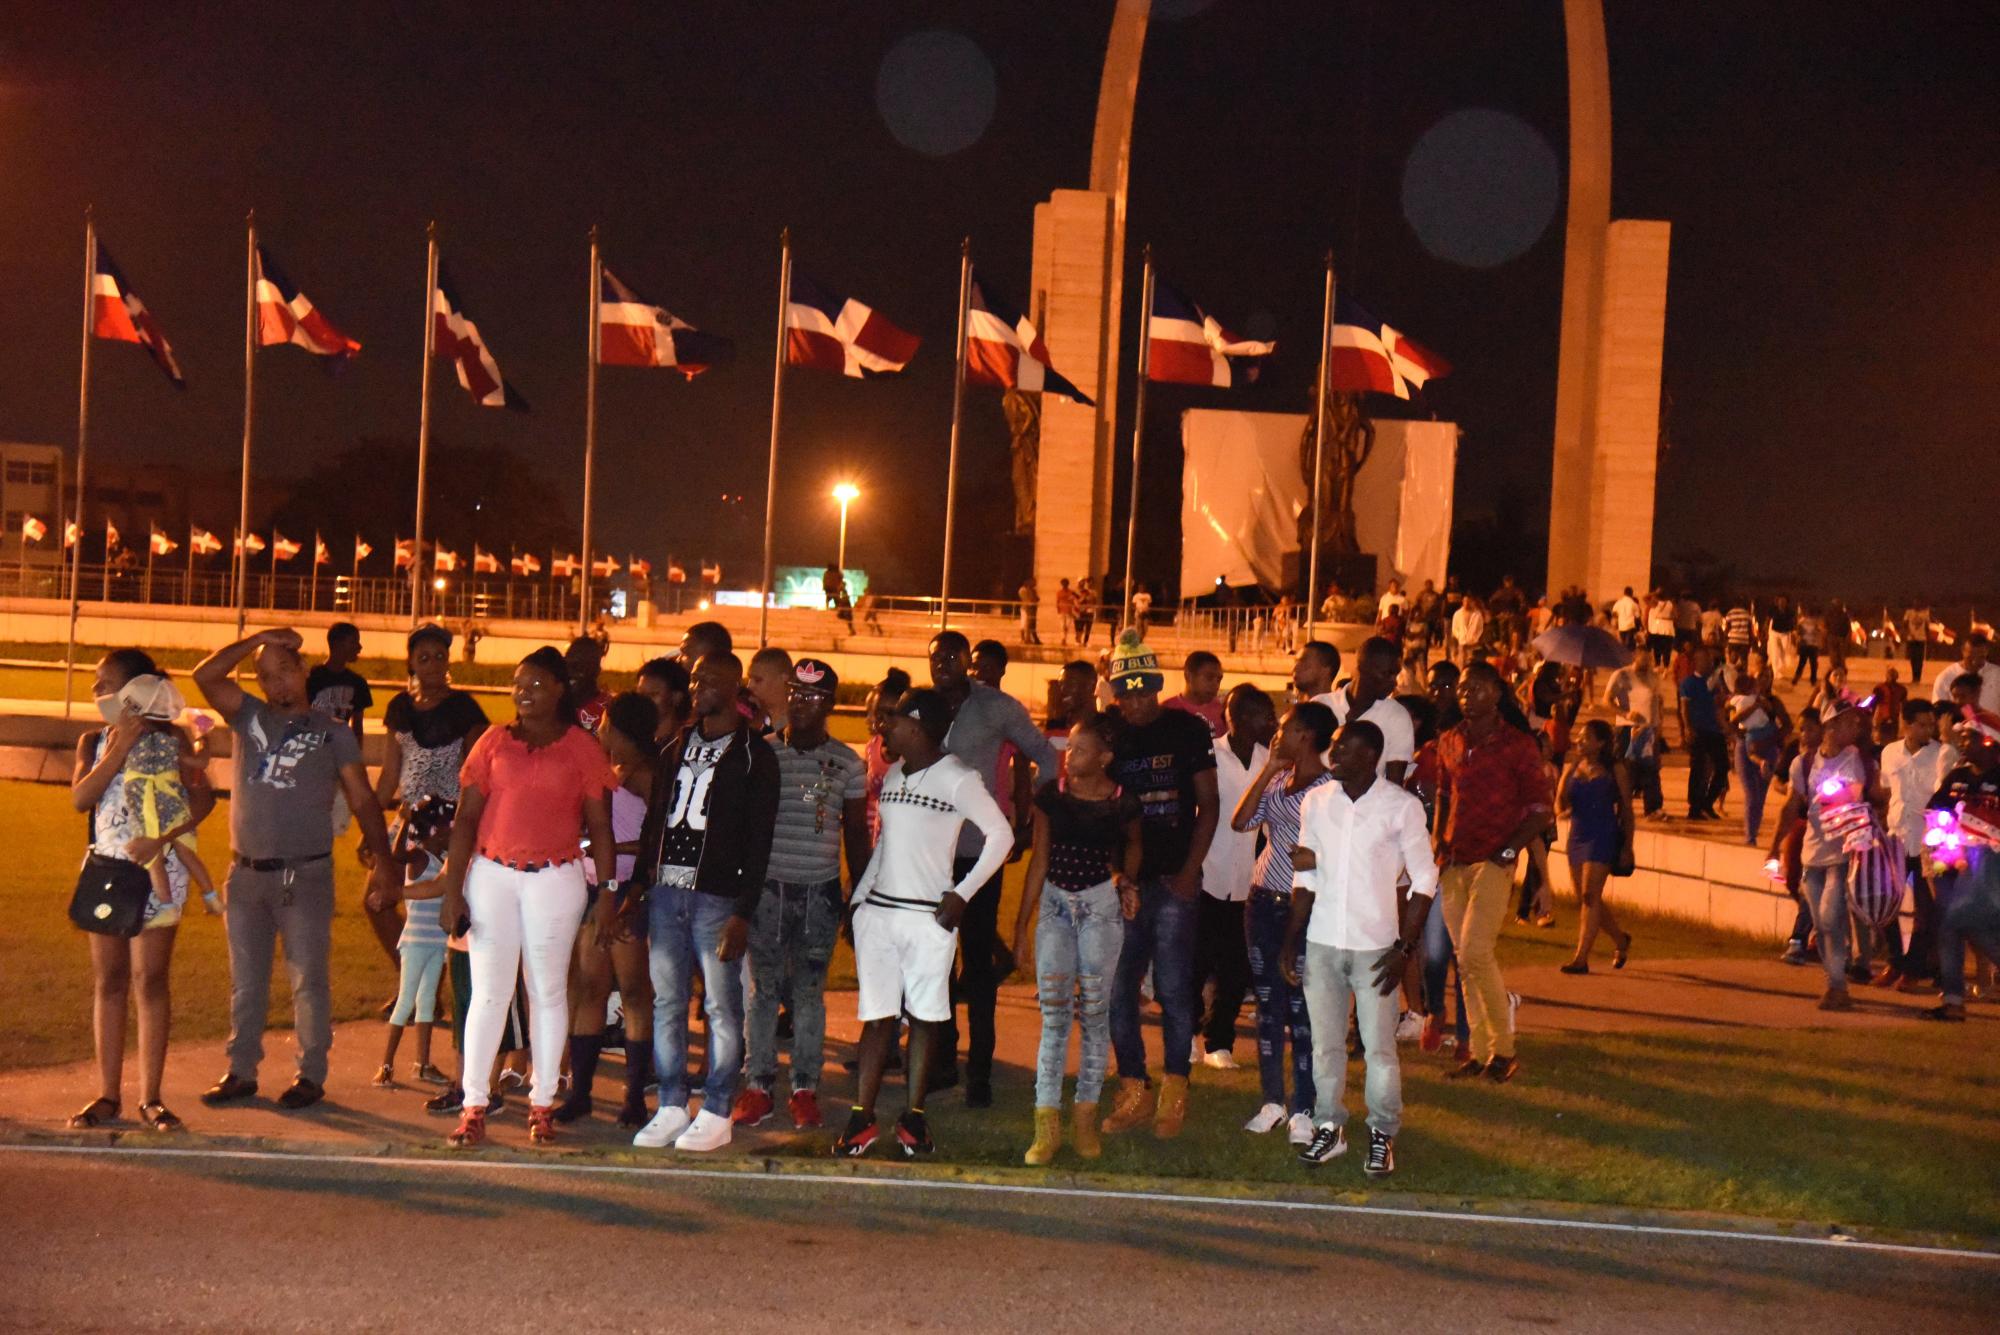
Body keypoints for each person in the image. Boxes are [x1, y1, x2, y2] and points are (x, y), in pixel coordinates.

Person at [192, 628, 399, 1112]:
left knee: (308, 979)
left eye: (285, 670)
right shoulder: (249, 716)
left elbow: (363, 798)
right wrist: (259, 637)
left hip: (303, 875)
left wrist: (385, 862)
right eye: (266, 676)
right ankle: (241, 1071)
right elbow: (206, 675)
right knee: (247, 981)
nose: (277, 682)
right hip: (245, 874)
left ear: (304, 671)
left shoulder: (333, 732)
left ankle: (310, 1075)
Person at [430, 648, 617, 1147]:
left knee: (547, 992)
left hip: (555, 879)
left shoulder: (581, 748)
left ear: (559, 690)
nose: (523, 693)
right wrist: (453, 892)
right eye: (518, 684)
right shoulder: (494, 742)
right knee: (489, 994)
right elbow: (466, 819)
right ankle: (474, 1105)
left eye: (535, 684)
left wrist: (608, 890)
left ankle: (541, 1103)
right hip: (492, 874)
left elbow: (600, 825)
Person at [838, 690, 1013, 1158]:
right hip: (880, 913)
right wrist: (858, 904)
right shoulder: (895, 773)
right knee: (876, 1018)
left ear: (916, 726)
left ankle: (914, 1117)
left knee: (924, 1018)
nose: (884, 727)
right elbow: (884, 845)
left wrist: (961, 893)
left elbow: (1001, 836)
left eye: (893, 720)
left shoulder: (958, 778)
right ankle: (862, 1116)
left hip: (926, 917)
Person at [630, 652, 779, 1153]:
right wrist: (637, 885)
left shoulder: (756, 756)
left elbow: (759, 843)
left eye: (710, 678)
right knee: (668, 1002)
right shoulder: (674, 744)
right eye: (695, 678)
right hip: (667, 892)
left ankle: (717, 1109)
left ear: (735, 686)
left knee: (721, 1006)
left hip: (717, 898)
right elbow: (656, 821)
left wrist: (742, 912)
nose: (698, 686)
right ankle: (672, 1104)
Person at [66, 650, 216, 1132]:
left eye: (106, 683)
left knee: (149, 980)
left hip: (161, 871)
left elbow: (203, 799)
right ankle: (108, 1094)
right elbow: (80, 798)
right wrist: (118, 747)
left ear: (136, 691)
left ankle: (150, 1098)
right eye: (96, 684)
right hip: (108, 870)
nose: (98, 693)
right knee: (108, 981)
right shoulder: (93, 741)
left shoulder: (170, 739)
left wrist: (163, 837)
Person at [1283, 720, 1437, 1177]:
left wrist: (1404, 947)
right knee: (1326, 1045)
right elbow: (1305, 872)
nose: (1334, 754)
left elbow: (1424, 878)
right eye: (1334, 746)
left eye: (1344, 749)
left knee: (1378, 1049)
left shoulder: (1401, 807)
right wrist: (1292, 941)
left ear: (1370, 756)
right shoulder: (1316, 801)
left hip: (1376, 947)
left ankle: (1382, 1134)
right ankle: (1330, 1126)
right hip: (1323, 941)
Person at [736, 659, 870, 1132]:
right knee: (762, 989)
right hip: (768, 889)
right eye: (795, 693)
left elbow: (856, 832)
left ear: (831, 703)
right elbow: (746, 829)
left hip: (819, 891)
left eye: (813, 696)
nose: (801, 703)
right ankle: (758, 1086)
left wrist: (859, 897)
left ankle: (804, 1088)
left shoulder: (849, 763)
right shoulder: (763, 752)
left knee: (809, 991)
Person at [928, 631, 1058, 1108]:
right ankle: (941, 1059)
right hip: (928, 854)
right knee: (934, 962)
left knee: (977, 964)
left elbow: (1045, 755)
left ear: (968, 661)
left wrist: (1035, 818)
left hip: (978, 853)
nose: (942, 663)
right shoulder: (920, 704)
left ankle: (979, 1071)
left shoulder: (996, 707)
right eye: (934, 657)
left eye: (951, 656)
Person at [1101, 631, 1220, 1139]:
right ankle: (1134, 1086)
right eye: (1125, 693)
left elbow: (1208, 804)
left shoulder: (1187, 729)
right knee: (1118, 989)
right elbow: (1100, 808)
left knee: (1173, 988)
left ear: (1156, 686)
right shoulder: (1110, 734)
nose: (1134, 702)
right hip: (1125, 881)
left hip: (1174, 879)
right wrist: (1114, 876)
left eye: (1142, 691)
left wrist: (1192, 871)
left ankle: (1175, 1089)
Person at [1011, 714, 1141, 1165]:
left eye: (1081, 750)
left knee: (1094, 1012)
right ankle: (1046, 1124)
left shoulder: (1123, 801)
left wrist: (1127, 880)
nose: (1070, 756)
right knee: (1054, 1016)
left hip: (1099, 909)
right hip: (1054, 907)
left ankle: (1085, 1116)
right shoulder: (1052, 795)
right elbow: (1040, 858)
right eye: (1070, 748)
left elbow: (1133, 846)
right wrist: (1021, 925)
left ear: (1105, 758)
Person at [1431, 662, 1552, 1083]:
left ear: (1497, 694)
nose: (1467, 695)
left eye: (1477, 688)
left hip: (1493, 861)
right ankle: (1480, 1053)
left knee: (1475, 951)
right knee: (1465, 961)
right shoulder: (1450, 741)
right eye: (1463, 689)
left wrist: (1509, 848)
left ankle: (1505, 1049)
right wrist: (1437, 842)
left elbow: (1540, 810)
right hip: (1454, 860)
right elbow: (1444, 794)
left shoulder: (1518, 745)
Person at [554, 693, 661, 1128]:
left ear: (618, 728)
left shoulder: (644, 774)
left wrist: (609, 849)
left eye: (604, 724)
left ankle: (634, 1097)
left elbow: (657, 841)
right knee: (589, 989)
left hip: (626, 893)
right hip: (599, 890)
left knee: (634, 992)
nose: (598, 729)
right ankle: (581, 1093)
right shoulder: (614, 769)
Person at [1231, 700, 1335, 1145]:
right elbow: (1240, 822)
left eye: (1287, 729)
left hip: (1306, 908)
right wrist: (1269, 768)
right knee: (1267, 1007)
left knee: (1304, 1011)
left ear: (1307, 736)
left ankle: (1304, 1110)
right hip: (1262, 902)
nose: (1278, 733)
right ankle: (1272, 1101)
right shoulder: (1278, 780)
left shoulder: (1331, 788)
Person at [371, 625, 489, 975]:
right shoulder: (400, 708)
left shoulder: (464, 708)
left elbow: (479, 773)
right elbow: (390, 774)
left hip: (449, 821)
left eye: (440, 657)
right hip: (407, 819)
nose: (434, 665)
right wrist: (372, 827)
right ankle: (410, 980)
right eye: (424, 658)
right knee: (376, 899)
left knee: (442, 909)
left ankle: (433, 992)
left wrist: (464, 827)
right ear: (411, 663)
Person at [1766, 702, 1871, 1011]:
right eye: (1849, 722)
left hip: (1842, 853)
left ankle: (1838, 983)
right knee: (1824, 924)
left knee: (1828, 916)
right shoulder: (1803, 763)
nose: (1856, 728)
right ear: (1831, 726)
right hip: (1812, 852)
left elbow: (1854, 796)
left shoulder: (1854, 760)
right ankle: (1836, 985)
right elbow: (1790, 805)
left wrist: (1838, 794)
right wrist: (1774, 845)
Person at [1192, 684, 1274, 1069]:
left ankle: (1218, 1042)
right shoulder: (1210, 755)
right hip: (1207, 873)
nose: (1271, 723)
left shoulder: (1269, 760)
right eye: (1264, 715)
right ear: (1238, 718)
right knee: (1195, 961)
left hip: (1248, 880)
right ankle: (1189, 1032)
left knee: (1236, 967)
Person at [1920, 711, 2000, 1023]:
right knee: (1964, 927)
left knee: (1957, 922)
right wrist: (1937, 859)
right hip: (1954, 863)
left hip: (1990, 863)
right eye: (1961, 737)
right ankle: (1953, 1001)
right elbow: (1934, 812)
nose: (1961, 743)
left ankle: (1953, 1001)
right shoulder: (1957, 777)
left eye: (1969, 737)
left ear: (1990, 741)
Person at [374, 794, 455, 1088]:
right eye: (448, 827)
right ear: (433, 831)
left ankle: (422, 1063)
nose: (452, 832)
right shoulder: (421, 857)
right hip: (416, 942)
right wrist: (407, 819)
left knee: (427, 1001)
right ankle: (386, 1064)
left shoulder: (444, 861)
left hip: (436, 942)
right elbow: (398, 855)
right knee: (406, 1000)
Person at [1879, 700, 1956, 993]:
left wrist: (1948, 744)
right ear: (1906, 724)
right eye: (1921, 724)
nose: (1928, 729)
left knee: (1927, 910)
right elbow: (1887, 790)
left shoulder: (1940, 754)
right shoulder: (1890, 753)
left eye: (1931, 724)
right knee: (1887, 904)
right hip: (1896, 837)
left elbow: (1943, 788)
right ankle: (1896, 961)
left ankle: (1912, 969)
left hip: (1928, 843)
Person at [1557, 720, 1635, 972]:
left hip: (1603, 833)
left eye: (1586, 737)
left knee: (1590, 895)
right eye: (1579, 736)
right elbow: (1560, 799)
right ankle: (1620, 939)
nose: (1580, 741)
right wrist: (1570, 771)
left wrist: (1627, 846)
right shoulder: (1575, 765)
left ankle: (1581, 958)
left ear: (1601, 743)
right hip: (1578, 834)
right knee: (1586, 897)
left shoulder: (1615, 769)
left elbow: (1626, 809)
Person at [1316, 636, 1415, 784]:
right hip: (1317, 800)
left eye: (1396, 674)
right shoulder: (1321, 705)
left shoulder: (1397, 715)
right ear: (1363, 667)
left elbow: (1395, 784)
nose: (1394, 682)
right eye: (1387, 673)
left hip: (1370, 804)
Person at [1728, 673, 1782, 844]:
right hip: (1745, 745)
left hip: (1767, 747)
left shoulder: (1772, 701)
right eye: (1759, 679)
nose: (1762, 682)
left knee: (1760, 796)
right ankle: (1750, 835)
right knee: (1752, 793)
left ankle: (1753, 832)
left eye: (1766, 678)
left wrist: (1775, 739)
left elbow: (1786, 724)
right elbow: (1733, 720)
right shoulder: (1739, 700)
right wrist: (1755, 706)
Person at [1677, 646, 1729, 821]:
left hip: (1714, 729)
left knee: (1722, 767)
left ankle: (1707, 803)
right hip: (1699, 729)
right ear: (1696, 662)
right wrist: (1687, 728)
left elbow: (1721, 704)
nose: (1707, 663)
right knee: (1698, 769)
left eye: (1709, 660)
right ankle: (1695, 806)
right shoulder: (1688, 683)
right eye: (1703, 659)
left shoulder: (1714, 682)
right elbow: (1684, 707)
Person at [306, 622, 371, 744]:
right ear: (337, 644)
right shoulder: (311, 678)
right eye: (354, 641)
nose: (359, 647)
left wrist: (355, 758)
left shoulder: (357, 683)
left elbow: (357, 728)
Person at [1163, 649, 1226, 738]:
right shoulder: (1167, 709)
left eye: (1219, 680)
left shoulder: (1222, 711)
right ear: (1188, 676)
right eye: (1209, 677)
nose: (1216, 685)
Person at [1932, 633, 2000, 713]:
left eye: (1980, 657)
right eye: (1971, 657)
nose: (1975, 662)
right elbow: (1939, 711)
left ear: (1987, 652)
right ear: (1963, 651)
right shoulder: (1945, 677)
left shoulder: (1997, 675)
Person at [635, 656, 692, 746]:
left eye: (653, 694)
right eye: (640, 693)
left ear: (676, 697)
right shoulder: (632, 737)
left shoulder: (686, 742)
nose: (644, 700)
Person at [565, 635, 613, 734]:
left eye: (582, 666)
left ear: (596, 670)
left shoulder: (610, 711)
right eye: (569, 664)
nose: (572, 672)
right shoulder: (554, 706)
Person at [1292, 639, 1341, 706]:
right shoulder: (1299, 712)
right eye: (1296, 662)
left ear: (1326, 670)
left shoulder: (1337, 712)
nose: (1294, 668)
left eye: (1303, 662)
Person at [1874, 665, 1910, 746]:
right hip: (1882, 719)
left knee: (1892, 742)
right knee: (1882, 742)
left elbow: (1904, 706)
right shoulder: (1880, 688)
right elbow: (1874, 705)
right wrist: (1875, 721)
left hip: (1894, 719)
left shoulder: (1901, 689)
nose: (1892, 676)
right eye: (1890, 674)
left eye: (1894, 674)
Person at [1451, 595, 1486, 666]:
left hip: (1473, 643)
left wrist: (1475, 637)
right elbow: (1454, 628)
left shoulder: (1477, 614)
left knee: (1472, 662)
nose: (1466, 603)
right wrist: (1459, 636)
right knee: (1462, 662)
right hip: (1462, 642)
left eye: (1468, 601)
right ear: (1462, 602)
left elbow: (1480, 628)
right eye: (1465, 601)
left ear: (1471, 602)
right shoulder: (1457, 614)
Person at [1644, 591, 1677, 666]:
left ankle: (1657, 665)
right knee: (1667, 651)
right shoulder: (1671, 604)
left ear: (1657, 597)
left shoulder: (1655, 604)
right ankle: (1665, 668)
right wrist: (1668, 618)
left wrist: (1654, 592)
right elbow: (1676, 616)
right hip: (1668, 629)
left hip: (1657, 629)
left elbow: (1645, 598)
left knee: (1657, 649)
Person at [1902, 603, 1931, 681]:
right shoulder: (1909, 612)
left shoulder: (1925, 613)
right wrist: (1908, 633)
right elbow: (1904, 624)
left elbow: (1927, 626)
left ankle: (1918, 677)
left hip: (1921, 639)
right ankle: (1914, 676)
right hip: (1911, 639)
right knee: (1913, 658)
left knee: (1920, 659)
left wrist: (1928, 637)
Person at [1017, 577, 1042, 645]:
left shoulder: (1033, 590)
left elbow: (1037, 598)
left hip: (1032, 609)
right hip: (1025, 609)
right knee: (1024, 623)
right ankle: (1022, 639)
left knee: (1031, 624)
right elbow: (1027, 600)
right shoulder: (1022, 590)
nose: (1035, 584)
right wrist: (1033, 599)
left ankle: (1029, 639)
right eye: (1033, 582)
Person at [1074, 576, 1096, 646]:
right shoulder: (1078, 592)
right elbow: (1078, 601)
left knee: (1088, 628)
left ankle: (1085, 642)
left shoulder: (1092, 592)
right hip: (1082, 612)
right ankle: (1078, 640)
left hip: (1090, 611)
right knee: (1080, 627)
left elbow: (1094, 602)